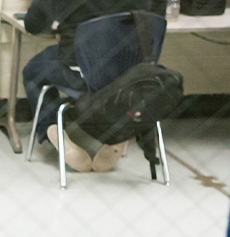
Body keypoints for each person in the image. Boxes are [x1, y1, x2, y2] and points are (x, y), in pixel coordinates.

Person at [22, 0, 150, 172]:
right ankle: (120, 131)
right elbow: (153, 19)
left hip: (79, 74)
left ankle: (53, 129)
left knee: (32, 72)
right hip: (128, 75)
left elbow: (33, 25)